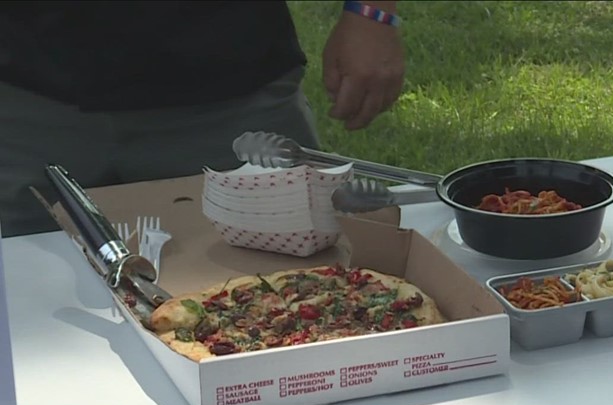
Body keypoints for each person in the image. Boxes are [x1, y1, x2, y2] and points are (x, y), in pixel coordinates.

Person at [0, 0, 405, 238]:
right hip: (28, 101)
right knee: (25, 315)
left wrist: (372, 13)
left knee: (305, 290)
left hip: (234, 91)